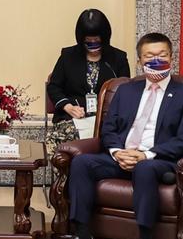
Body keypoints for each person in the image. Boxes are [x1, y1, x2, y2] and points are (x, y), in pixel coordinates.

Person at [46, 33, 183, 239]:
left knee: (145, 168)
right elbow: (108, 128)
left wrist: (145, 155)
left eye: (162, 55)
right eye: (149, 56)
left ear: (172, 57)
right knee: (82, 163)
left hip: (157, 161)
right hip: (121, 156)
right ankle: (83, 238)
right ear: (140, 60)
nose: (156, 60)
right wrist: (118, 152)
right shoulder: (126, 90)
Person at [46, 9, 130, 155]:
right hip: (73, 118)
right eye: (88, 43)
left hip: (106, 121)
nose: (93, 47)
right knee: (62, 137)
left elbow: (125, 92)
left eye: (97, 42)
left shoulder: (118, 58)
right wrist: (68, 106)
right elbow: (54, 86)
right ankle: (67, 177)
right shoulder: (68, 56)